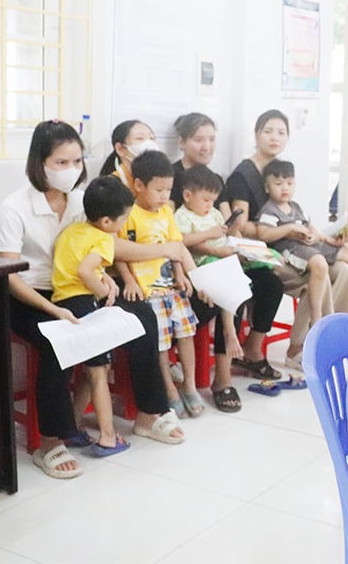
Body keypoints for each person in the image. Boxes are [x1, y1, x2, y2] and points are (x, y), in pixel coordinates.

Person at [0, 122, 184, 479]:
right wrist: (52, 309)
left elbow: (108, 246)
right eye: (61, 162)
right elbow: (9, 275)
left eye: (77, 161)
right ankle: (49, 441)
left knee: (142, 315)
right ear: (39, 162)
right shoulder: (14, 207)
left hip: (80, 288)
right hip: (32, 295)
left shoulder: (82, 201)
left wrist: (162, 251)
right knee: (60, 340)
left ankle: (148, 414)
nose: (72, 170)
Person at [223, 109, 348, 372]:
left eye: (281, 132)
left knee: (345, 270)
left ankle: (334, 334)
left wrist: (312, 233)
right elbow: (240, 225)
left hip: (294, 248)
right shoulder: (243, 174)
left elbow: (299, 216)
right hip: (265, 251)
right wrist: (283, 230)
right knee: (319, 275)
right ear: (256, 134)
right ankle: (301, 346)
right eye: (268, 131)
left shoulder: (278, 171)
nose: (274, 137)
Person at [171, 112, 285, 389]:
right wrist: (218, 248)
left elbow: (226, 224)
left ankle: (252, 350)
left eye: (211, 139)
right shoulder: (172, 181)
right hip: (194, 263)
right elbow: (176, 236)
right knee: (229, 291)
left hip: (221, 254)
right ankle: (222, 380)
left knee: (270, 283)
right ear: (182, 142)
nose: (207, 146)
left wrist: (238, 240)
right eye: (199, 139)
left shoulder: (213, 179)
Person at [52, 176, 138, 458]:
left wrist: (104, 279)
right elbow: (86, 272)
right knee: (100, 373)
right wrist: (104, 292)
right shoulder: (104, 240)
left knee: (91, 372)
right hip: (83, 306)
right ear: (105, 222)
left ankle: (74, 426)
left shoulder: (72, 230)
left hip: (61, 304)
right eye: (123, 219)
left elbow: (74, 264)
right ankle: (108, 438)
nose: (123, 225)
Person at [116, 150, 205, 419]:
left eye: (168, 189)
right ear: (139, 185)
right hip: (148, 290)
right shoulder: (129, 214)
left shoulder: (167, 212)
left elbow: (175, 246)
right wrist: (130, 280)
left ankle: (189, 383)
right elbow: (119, 253)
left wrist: (180, 273)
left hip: (172, 288)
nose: (165, 195)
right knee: (161, 344)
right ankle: (169, 389)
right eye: (159, 189)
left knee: (186, 333)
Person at [173, 163, 247, 413]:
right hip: (198, 271)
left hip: (220, 265)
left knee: (238, 288)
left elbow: (222, 239)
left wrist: (232, 244)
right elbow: (182, 243)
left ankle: (228, 335)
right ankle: (229, 332)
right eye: (205, 200)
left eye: (213, 200)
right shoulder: (182, 215)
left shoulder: (214, 214)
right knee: (228, 286)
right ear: (187, 196)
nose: (209, 206)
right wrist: (211, 237)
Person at [257, 159, 348, 331]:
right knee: (320, 264)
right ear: (267, 188)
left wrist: (324, 238)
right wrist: (290, 227)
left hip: (308, 247)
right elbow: (264, 234)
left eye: (289, 183)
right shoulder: (269, 210)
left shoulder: (296, 207)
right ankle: (316, 318)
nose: (285, 188)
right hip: (289, 249)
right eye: (278, 184)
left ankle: (345, 320)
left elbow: (309, 226)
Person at [99, 119, 159, 188]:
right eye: (139, 138)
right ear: (120, 149)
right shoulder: (109, 185)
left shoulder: (155, 179)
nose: (149, 143)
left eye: (151, 138)